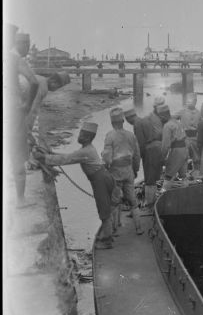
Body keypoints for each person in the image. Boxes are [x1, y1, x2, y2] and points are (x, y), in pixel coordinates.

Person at [36, 122, 119, 249]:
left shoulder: (85, 151)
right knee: (106, 208)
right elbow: (70, 156)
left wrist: (44, 158)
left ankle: (107, 241)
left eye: (82, 134)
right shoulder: (87, 149)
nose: (79, 136)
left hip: (100, 181)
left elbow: (67, 159)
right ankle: (109, 233)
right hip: (103, 178)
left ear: (87, 137)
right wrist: (51, 154)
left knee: (104, 210)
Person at [8, 30, 39, 208]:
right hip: (14, 111)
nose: (28, 48)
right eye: (27, 44)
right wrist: (27, 105)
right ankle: (20, 199)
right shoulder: (16, 59)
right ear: (21, 44)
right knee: (18, 155)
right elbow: (34, 82)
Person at [102, 107, 143, 235]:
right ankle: (139, 228)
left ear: (112, 122)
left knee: (114, 201)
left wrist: (106, 169)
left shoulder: (110, 136)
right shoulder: (131, 135)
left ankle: (114, 229)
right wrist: (135, 170)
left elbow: (107, 157)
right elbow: (137, 155)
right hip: (129, 170)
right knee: (133, 201)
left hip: (115, 172)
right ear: (123, 121)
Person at [135, 96, 165, 210]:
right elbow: (142, 141)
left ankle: (151, 202)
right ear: (155, 107)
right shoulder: (148, 119)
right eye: (160, 106)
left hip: (159, 149)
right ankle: (149, 204)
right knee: (150, 178)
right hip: (152, 149)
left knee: (155, 176)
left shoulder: (162, 118)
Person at [159, 104, 188, 191]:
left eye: (160, 116)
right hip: (184, 150)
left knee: (168, 176)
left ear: (164, 115)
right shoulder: (177, 122)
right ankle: (186, 193)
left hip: (176, 151)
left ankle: (163, 194)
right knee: (183, 176)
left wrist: (162, 158)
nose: (160, 119)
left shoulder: (167, 126)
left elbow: (165, 145)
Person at [176, 93, 201, 177]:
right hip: (185, 138)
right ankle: (184, 177)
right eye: (188, 101)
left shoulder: (199, 113)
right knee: (184, 158)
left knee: (196, 159)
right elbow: (171, 119)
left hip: (195, 138)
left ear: (196, 101)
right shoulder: (182, 111)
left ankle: (196, 177)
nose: (189, 102)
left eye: (192, 101)